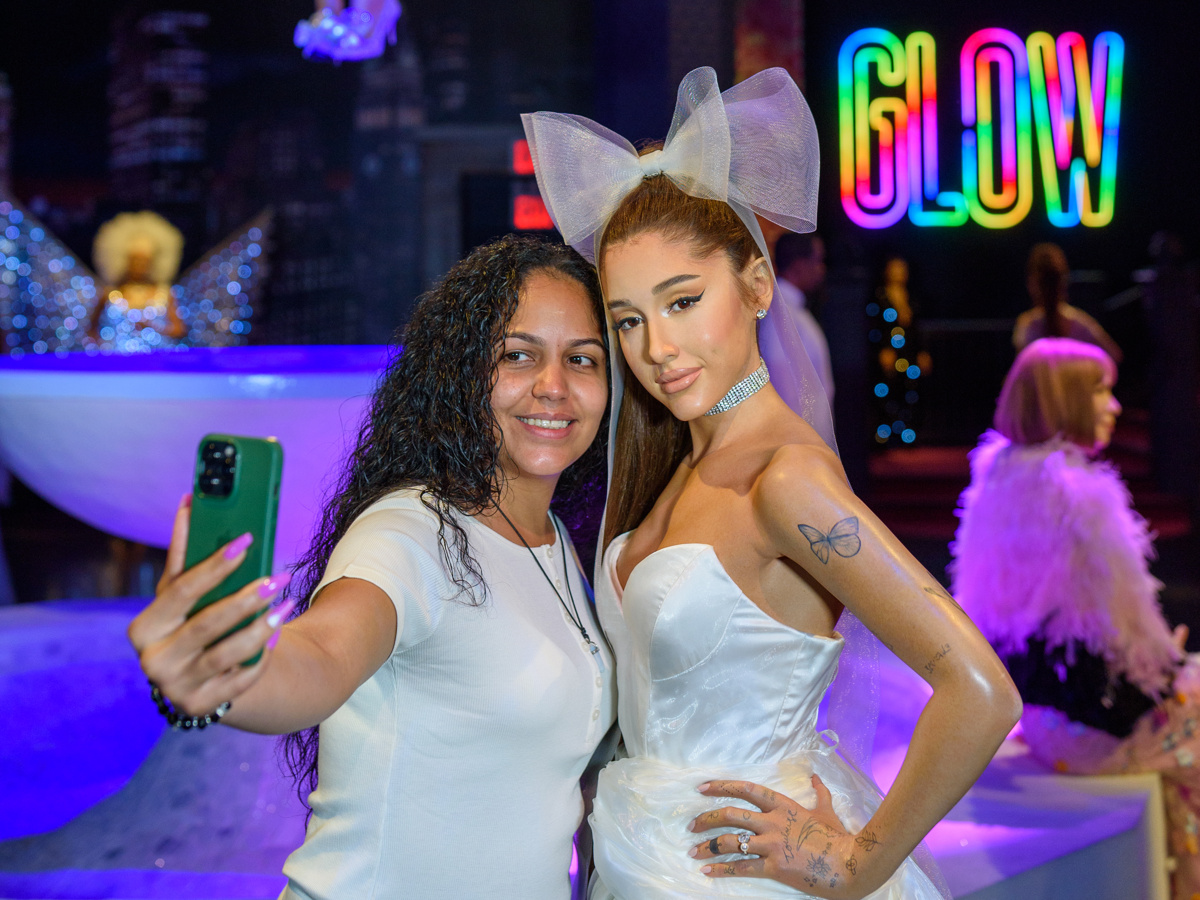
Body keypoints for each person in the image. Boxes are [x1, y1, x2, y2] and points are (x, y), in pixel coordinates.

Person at [524, 66, 1020, 900]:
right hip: (646, 862)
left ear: (756, 286)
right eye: (629, 320)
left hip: (738, 877)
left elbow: (981, 691)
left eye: (683, 302)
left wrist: (855, 865)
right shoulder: (684, 466)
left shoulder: (783, 480)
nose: (656, 348)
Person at [127, 235, 617, 900]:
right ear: (463, 372)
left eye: (581, 359)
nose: (553, 386)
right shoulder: (411, 531)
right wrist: (224, 678)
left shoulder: (556, 541)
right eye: (518, 355)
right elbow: (323, 654)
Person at [951, 336, 1200, 900]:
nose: (1114, 406)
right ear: (1064, 401)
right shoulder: (1080, 496)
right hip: (1096, 730)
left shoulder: (996, 480)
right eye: (1101, 391)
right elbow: (1130, 651)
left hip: (1044, 722)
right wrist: (1170, 662)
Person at [1012, 243, 1122, 362]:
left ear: (1032, 283)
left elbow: (1021, 374)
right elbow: (1114, 355)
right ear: (1064, 281)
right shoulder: (1080, 321)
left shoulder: (1027, 326)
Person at [91, 210, 187, 340]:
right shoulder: (109, 294)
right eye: (135, 260)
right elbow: (91, 330)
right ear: (125, 261)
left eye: (145, 261)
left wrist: (153, 328)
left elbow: (179, 330)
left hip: (156, 358)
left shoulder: (164, 294)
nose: (140, 266)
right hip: (117, 359)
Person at [868, 255, 930, 446]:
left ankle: (907, 434)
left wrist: (922, 351)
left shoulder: (910, 295)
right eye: (895, 268)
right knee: (887, 391)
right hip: (890, 353)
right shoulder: (880, 296)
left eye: (902, 268)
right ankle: (886, 434)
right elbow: (877, 326)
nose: (899, 273)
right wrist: (883, 349)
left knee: (910, 391)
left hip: (909, 352)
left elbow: (916, 327)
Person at [774, 232, 834, 403]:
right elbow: (784, 387)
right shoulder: (781, 314)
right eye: (818, 261)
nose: (822, 269)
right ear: (799, 265)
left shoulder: (794, 309)